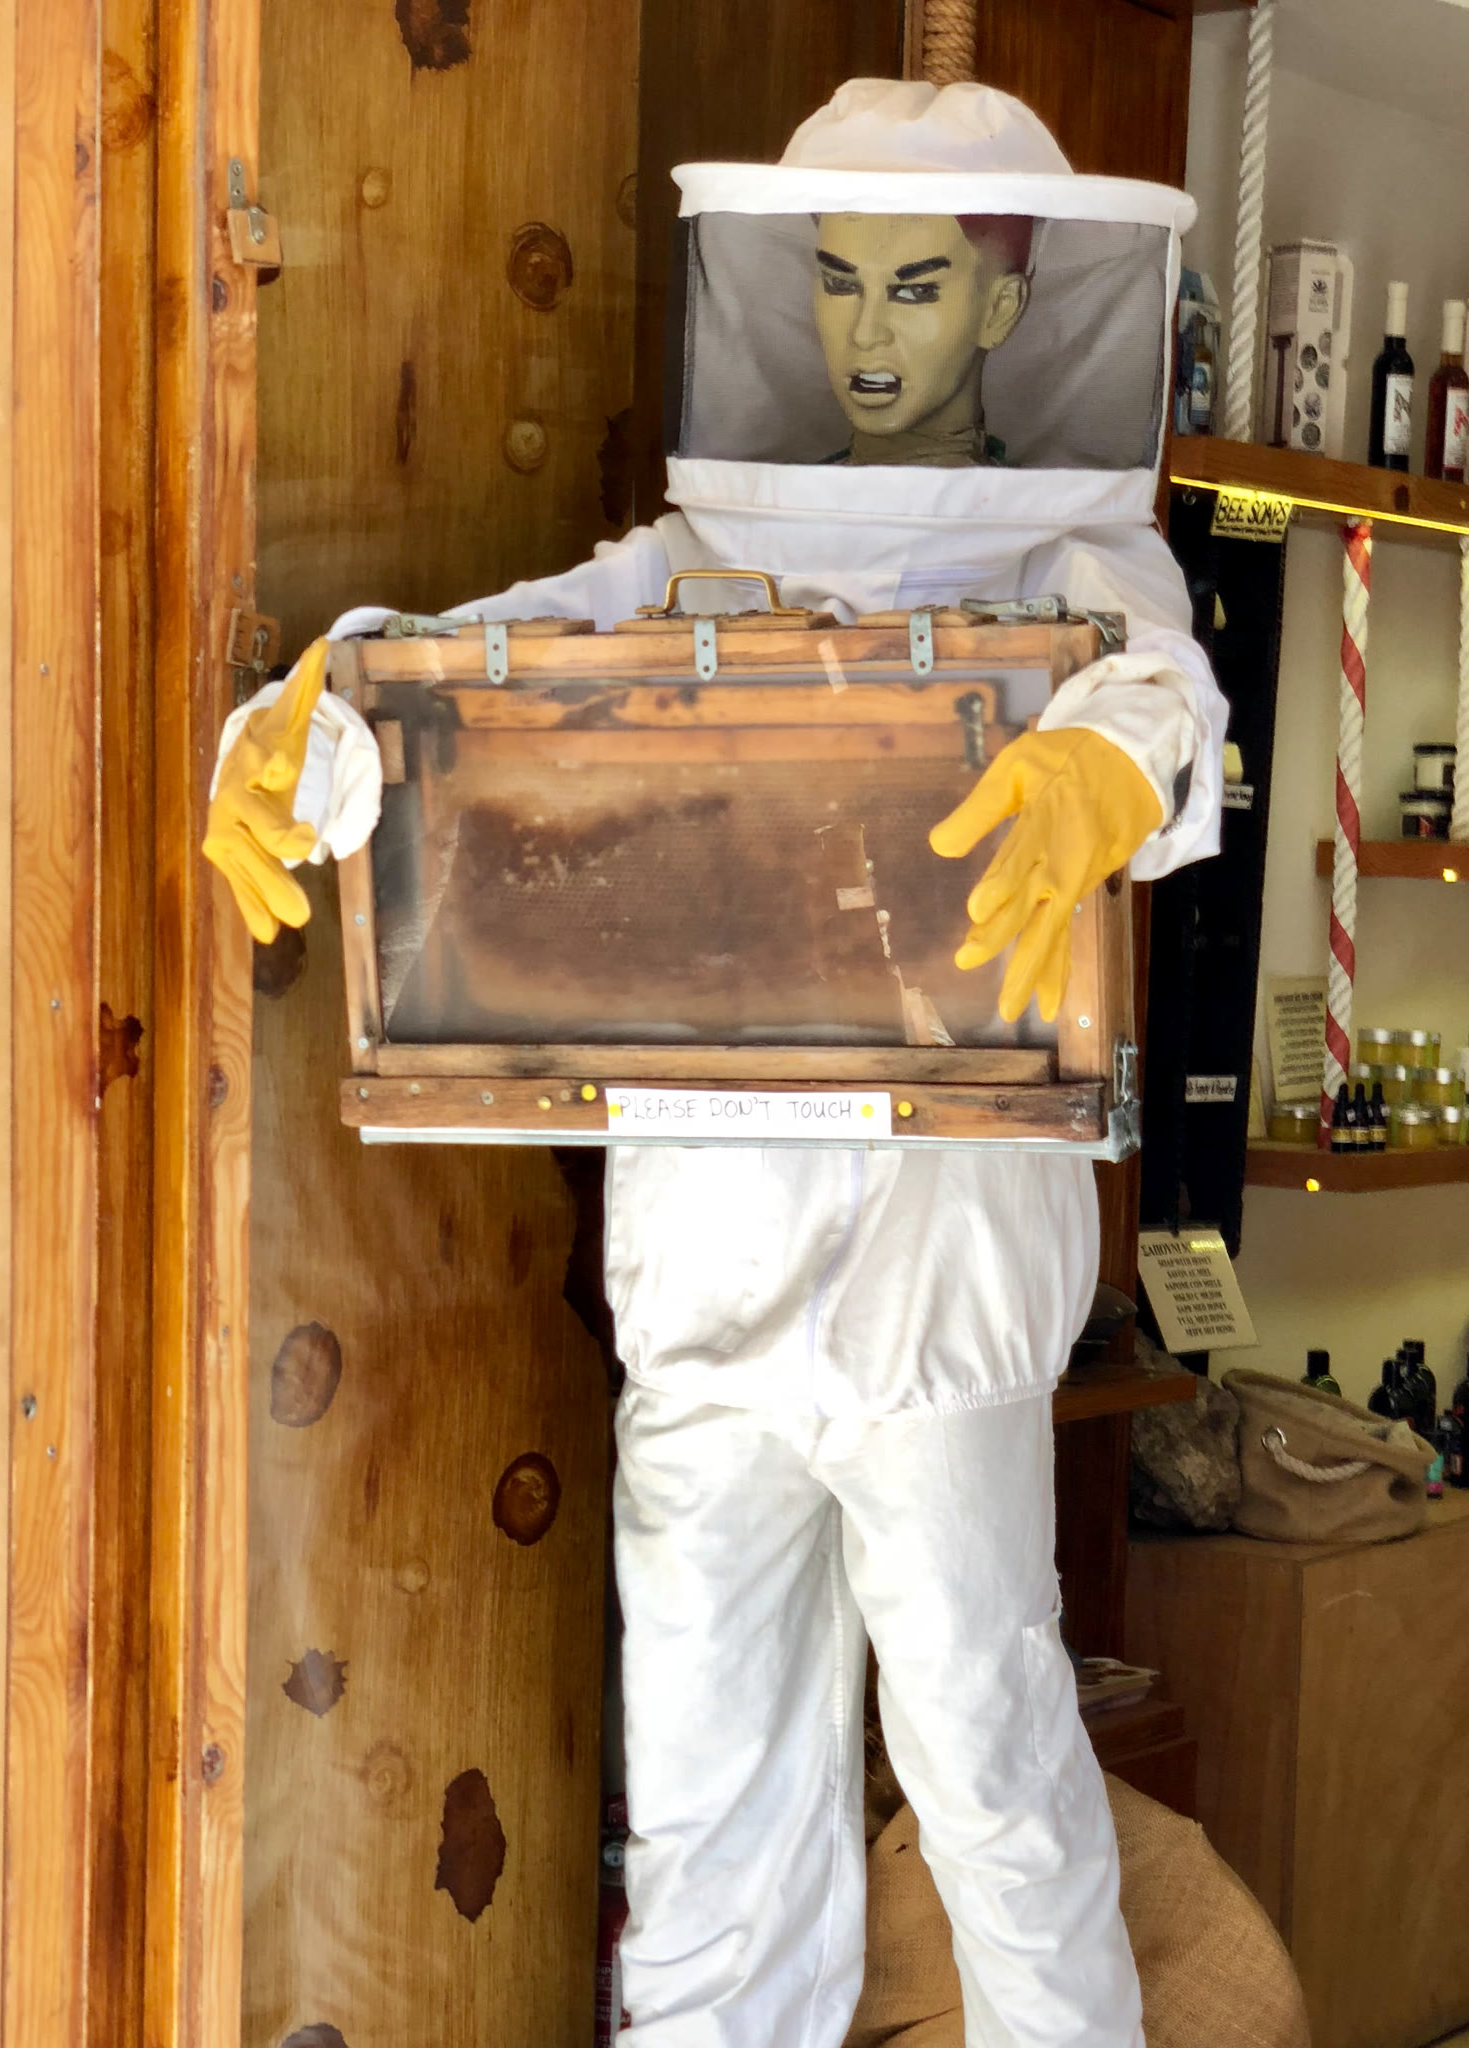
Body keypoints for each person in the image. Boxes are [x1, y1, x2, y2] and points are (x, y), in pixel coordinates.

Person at [206, 79, 1226, 2048]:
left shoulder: (1082, 557)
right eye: (837, 279)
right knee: (702, 1810)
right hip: (708, 1282)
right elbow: (460, 672)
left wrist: (1113, 762)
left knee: (991, 1770)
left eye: (917, 285)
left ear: (1008, 304)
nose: (866, 330)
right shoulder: (696, 551)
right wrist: (299, 725)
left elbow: (1160, 694)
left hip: (938, 1293)